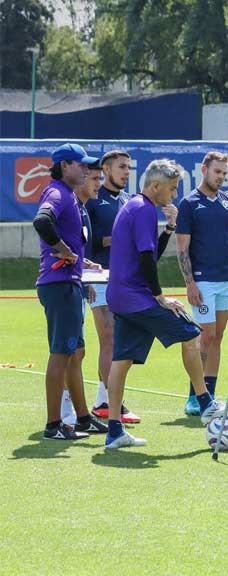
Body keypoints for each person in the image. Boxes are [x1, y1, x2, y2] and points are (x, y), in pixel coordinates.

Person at [104, 159, 228, 449]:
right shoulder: (143, 210)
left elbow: (149, 250)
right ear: (156, 187)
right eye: (172, 189)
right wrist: (159, 296)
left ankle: (114, 432)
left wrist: (169, 228)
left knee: (121, 360)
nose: (174, 195)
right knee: (192, 333)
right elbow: (146, 260)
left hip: (122, 297)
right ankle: (204, 402)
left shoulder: (139, 207)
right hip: (135, 296)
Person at [33, 143, 108, 440]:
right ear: (64, 166)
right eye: (81, 165)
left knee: (75, 354)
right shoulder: (56, 192)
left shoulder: (69, 197)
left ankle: (82, 418)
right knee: (61, 354)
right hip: (59, 286)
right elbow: (41, 221)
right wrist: (63, 249)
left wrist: (80, 259)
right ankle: (53, 425)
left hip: (69, 284)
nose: (87, 170)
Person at [176, 151, 228, 415]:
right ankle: (195, 397)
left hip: (225, 282)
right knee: (204, 337)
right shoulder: (189, 204)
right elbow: (182, 248)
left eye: (224, 173)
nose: (221, 177)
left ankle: (211, 395)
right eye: (217, 172)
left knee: (217, 338)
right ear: (204, 169)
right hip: (203, 282)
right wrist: (190, 283)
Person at [84, 150, 141, 423]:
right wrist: (109, 242)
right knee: (109, 338)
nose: (126, 172)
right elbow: (84, 242)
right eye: (121, 167)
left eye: (129, 167)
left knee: (120, 341)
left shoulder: (130, 201)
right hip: (99, 279)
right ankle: (110, 403)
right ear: (106, 169)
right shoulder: (94, 201)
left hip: (125, 280)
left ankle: (102, 401)